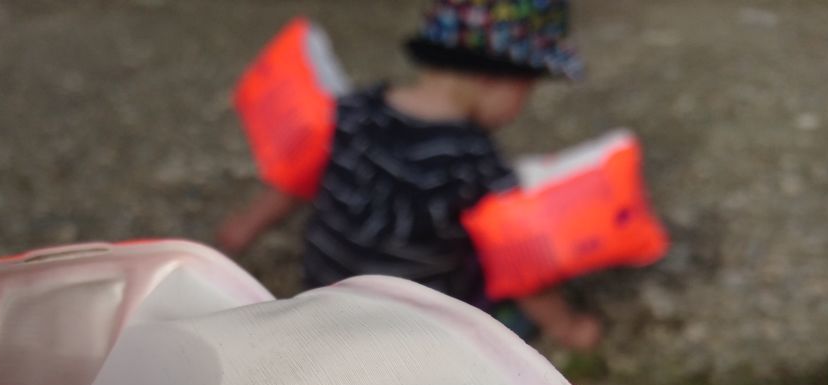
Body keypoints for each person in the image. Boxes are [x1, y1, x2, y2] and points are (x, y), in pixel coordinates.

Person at [216, 0, 603, 351]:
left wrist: (245, 228)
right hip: (416, 329)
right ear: (492, 79)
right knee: (500, 291)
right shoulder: (476, 164)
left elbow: (296, 179)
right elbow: (521, 269)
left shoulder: (354, 111)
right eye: (526, 89)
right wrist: (569, 328)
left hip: (324, 296)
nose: (523, 105)